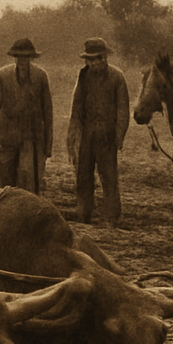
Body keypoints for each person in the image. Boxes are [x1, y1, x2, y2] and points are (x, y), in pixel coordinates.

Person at [66, 37, 129, 224]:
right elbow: (76, 107)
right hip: (88, 134)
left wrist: (119, 136)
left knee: (109, 176)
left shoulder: (117, 77)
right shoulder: (83, 77)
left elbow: (123, 109)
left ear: (104, 58)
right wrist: (73, 135)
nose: (94, 63)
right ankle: (84, 213)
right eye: (90, 60)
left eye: (97, 59)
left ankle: (112, 217)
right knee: (83, 175)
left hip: (107, 135)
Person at [0, 37, 53, 193]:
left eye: (26, 57)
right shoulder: (3, 76)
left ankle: (29, 215)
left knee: (29, 184)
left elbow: (47, 112)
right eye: (19, 56)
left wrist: (48, 145)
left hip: (32, 138)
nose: (22, 60)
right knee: (7, 184)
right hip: (6, 137)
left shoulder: (40, 77)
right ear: (14, 57)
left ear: (31, 58)